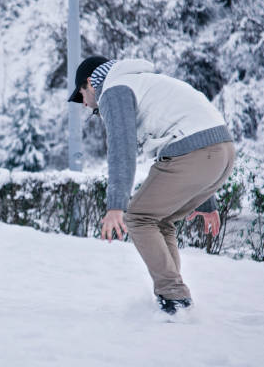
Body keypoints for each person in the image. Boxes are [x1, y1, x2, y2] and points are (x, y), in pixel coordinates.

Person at [68, 56, 235, 315]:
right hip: (223, 151)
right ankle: (172, 295)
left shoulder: (114, 90)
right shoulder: (145, 82)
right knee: (159, 220)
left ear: (90, 83)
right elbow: (194, 122)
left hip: (195, 152)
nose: (87, 106)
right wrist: (206, 200)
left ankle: (174, 297)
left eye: (81, 97)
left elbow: (121, 149)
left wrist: (116, 206)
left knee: (138, 217)